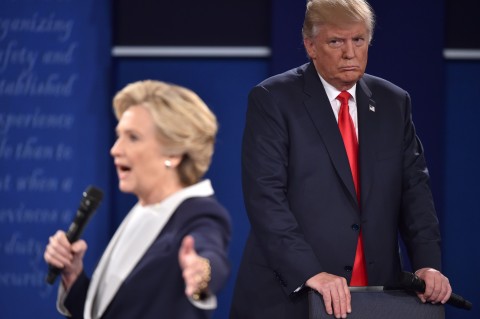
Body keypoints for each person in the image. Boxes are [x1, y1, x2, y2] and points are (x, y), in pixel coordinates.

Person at [230, 0, 451, 318]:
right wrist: (310, 272)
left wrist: (427, 263)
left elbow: (415, 190)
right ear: (310, 45)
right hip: (291, 296)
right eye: (336, 41)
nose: (350, 53)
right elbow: (266, 199)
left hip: (376, 295)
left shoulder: (393, 102)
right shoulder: (273, 99)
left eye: (358, 40)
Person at [44, 80, 231, 319]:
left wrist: (201, 272)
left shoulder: (199, 213)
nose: (115, 149)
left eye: (132, 137)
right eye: (118, 135)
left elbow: (209, 251)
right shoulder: (143, 212)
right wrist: (73, 275)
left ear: (173, 153)